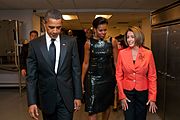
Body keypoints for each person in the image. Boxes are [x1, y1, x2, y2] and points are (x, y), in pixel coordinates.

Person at [26, 9, 82, 120]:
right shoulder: (35, 45)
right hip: (46, 98)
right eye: (51, 27)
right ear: (44, 24)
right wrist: (32, 102)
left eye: (59, 27)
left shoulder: (71, 42)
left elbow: (76, 70)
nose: (55, 31)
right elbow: (31, 76)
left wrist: (78, 96)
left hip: (66, 97)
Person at [116, 26, 157, 120]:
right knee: (129, 117)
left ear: (138, 37)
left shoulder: (148, 54)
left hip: (142, 92)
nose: (129, 39)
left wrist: (152, 97)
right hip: (127, 92)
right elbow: (118, 76)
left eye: (132, 37)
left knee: (141, 117)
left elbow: (152, 76)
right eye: (128, 37)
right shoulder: (122, 53)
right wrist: (121, 96)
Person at [81, 17, 118, 120]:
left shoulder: (112, 41)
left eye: (105, 30)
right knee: (92, 109)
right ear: (94, 29)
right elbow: (85, 63)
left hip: (108, 79)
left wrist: (119, 78)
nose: (103, 32)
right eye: (100, 30)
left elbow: (116, 62)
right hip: (92, 79)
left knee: (106, 106)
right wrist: (82, 81)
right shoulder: (88, 43)